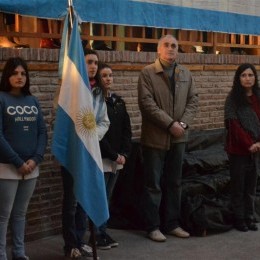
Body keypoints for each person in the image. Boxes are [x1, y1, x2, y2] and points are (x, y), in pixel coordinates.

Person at [138, 34, 198, 242]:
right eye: (166, 45)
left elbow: (193, 100)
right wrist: (170, 124)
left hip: (179, 138)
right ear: (158, 50)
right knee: (153, 184)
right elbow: (147, 104)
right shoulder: (147, 73)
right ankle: (153, 226)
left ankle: (172, 224)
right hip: (155, 138)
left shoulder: (186, 74)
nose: (171, 48)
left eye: (174, 46)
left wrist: (182, 124)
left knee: (174, 182)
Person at [57, 48, 110, 258]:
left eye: (96, 62)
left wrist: (91, 137)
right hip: (73, 152)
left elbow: (104, 121)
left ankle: (80, 239)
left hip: (89, 150)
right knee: (71, 201)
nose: (94, 66)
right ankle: (70, 245)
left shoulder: (99, 92)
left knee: (83, 199)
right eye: (89, 62)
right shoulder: (72, 90)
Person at [0, 57, 47, 260]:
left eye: (23, 74)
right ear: (7, 76)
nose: (19, 77)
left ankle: (19, 252)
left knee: (20, 214)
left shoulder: (33, 100)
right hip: (7, 167)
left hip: (31, 168)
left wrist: (35, 159)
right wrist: (18, 162)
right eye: (15, 73)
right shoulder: (1, 98)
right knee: (3, 215)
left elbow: (42, 132)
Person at [93, 63, 132, 249]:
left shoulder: (118, 102)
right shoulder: (96, 102)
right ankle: (96, 234)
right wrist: (113, 154)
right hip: (104, 157)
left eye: (110, 75)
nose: (108, 78)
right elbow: (98, 134)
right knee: (100, 196)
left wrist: (124, 153)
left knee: (108, 196)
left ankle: (103, 230)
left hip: (118, 157)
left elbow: (126, 130)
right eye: (104, 75)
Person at [224, 63, 260, 232]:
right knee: (238, 185)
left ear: (255, 77)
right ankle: (239, 218)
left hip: (257, 150)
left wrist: (258, 143)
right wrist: (249, 144)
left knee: (251, 186)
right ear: (238, 78)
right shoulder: (233, 99)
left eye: (250, 75)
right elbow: (233, 124)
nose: (247, 78)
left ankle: (250, 216)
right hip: (238, 150)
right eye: (244, 75)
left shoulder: (258, 97)